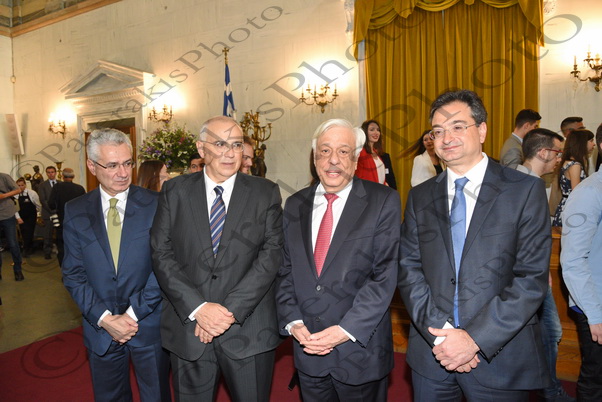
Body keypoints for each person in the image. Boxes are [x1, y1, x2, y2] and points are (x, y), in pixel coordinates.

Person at [399, 89, 551, 400]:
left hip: (500, 357)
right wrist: (442, 335)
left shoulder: (523, 191)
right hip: (432, 354)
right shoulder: (419, 196)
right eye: (438, 131)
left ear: (481, 130)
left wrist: (474, 339)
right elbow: (409, 269)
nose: (446, 138)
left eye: (457, 126)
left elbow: (530, 278)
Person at [151, 116, 283, 401]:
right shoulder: (175, 191)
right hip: (189, 330)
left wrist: (227, 312)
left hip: (249, 330)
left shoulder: (265, 192)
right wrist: (198, 308)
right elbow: (161, 252)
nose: (230, 153)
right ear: (201, 149)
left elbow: (271, 254)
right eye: (220, 144)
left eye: (236, 145)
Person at [276, 119, 400, 401]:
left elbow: (384, 275)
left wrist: (345, 330)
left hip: (360, 352)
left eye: (343, 151)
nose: (333, 160)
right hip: (308, 348)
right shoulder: (294, 204)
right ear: (314, 158)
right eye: (325, 151)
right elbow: (285, 271)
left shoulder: (383, 201)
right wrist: (293, 322)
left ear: (355, 160)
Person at [61, 128, 170, 402]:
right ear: (91, 166)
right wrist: (105, 319)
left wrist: (132, 315)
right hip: (100, 327)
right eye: (112, 165)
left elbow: (165, 267)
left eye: (127, 163)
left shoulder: (157, 204)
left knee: (156, 395)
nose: (122, 173)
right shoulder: (75, 209)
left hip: (148, 323)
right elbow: (73, 273)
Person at [517, 129, 574, 402]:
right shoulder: (521, 184)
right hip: (527, 277)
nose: (559, 159)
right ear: (543, 152)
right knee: (550, 332)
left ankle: (543, 387)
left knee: (548, 332)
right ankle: (549, 391)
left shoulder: (530, 182)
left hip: (533, 275)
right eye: (557, 152)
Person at [561, 123, 602, 402]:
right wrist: (595, 315)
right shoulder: (589, 191)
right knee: (595, 380)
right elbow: (573, 260)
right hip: (595, 303)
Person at [552, 129, 595, 227]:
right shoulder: (575, 165)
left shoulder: (568, 161)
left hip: (566, 205)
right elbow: (577, 193)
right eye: (591, 141)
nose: (594, 144)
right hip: (572, 208)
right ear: (582, 143)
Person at [48, 168, 85, 266]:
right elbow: (85, 206)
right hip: (76, 221)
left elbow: (51, 203)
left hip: (61, 220)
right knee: (76, 244)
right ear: (73, 177)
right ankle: (76, 265)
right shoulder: (80, 188)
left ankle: (64, 266)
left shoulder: (57, 187)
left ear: (63, 177)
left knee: (62, 244)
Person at [355, 119, 397, 188]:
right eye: (372, 130)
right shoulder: (360, 152)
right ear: (364, 132)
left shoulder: (376, 153)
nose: (376, 132)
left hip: (379, 191)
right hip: (366, 191)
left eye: (378, 130)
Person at [0, 172, 24, 281]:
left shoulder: (4, 177)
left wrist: (3, 196)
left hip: (7, 214)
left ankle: (18, 270)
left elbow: (18, 190)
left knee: (13, 243)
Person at [15, 177, 41, 257]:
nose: (20, 187)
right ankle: (28, 247)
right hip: (21, 216)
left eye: (22, 185)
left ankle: (26, 249)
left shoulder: (32, 193)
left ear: (25, 185)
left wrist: (39, 213)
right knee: (23, 232)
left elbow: (38, 205)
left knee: (29, 232)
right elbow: (14, 208)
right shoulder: (15, 195)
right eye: (18, 185)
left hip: (31, 216)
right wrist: (18, 218)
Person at [37, 165, 59, 259]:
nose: (51, 174)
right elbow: (43, 200)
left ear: (55, 173)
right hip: (48, 212)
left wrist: (58, 210)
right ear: (46, 173)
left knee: (60, 233)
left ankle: (60, 250)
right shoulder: (42, 185)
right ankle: (47, 252)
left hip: (59, 212)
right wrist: (52, 210)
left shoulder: (60, 183)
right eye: (49, 172)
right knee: (48, 234)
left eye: (52, 172)